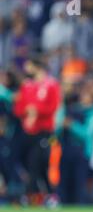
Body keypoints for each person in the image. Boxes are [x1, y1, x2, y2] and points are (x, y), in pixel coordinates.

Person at [13, 57, 61, 203]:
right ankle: (45, 195)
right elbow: (18, 108)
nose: (26, 69)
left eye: (29, 65)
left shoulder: (51, 85)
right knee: (26, 162)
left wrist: (36, 111)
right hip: (27, 131)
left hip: (44, 132)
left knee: (38, 162)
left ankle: (31, 195)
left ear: (37, 66)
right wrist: (27, 111)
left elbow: (53, 107)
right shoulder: (26, 86)